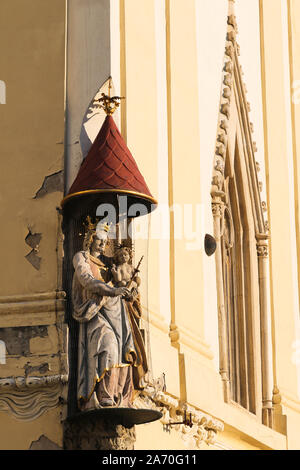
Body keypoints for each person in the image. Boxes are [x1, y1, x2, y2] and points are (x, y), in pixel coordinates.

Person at [71, 221, 147, 411]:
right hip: (93, 312)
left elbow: (121, 284)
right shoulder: (81, 258)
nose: (103, 245)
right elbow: (87, 281)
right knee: (109, 345)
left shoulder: (107, 264)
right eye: (100, 240)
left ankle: (118, 395)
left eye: (105, 242)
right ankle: (102, 395)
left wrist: (130, 292)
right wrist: (113, 291)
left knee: (124, 350)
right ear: (90, 239)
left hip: (114, 312)